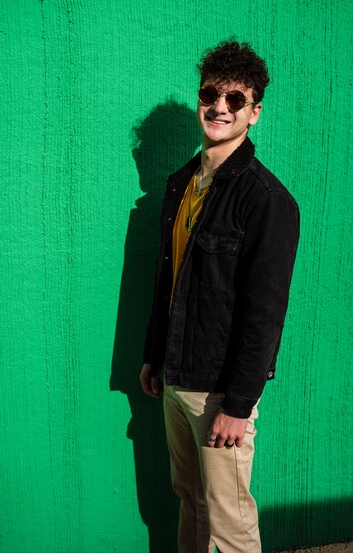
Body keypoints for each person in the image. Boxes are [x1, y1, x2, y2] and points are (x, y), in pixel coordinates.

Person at [139, 40, 300, 553]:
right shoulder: (181, 183)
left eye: (236, 99)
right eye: (211, 94)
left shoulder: (267, 201)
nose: (220, 107)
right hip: (176, 379)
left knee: (229, 522)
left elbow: (265, 315)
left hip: (220, 392)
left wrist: (239, 403)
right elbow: (172, 279)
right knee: (191, 501)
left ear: (255, 112)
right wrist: (154, 353)